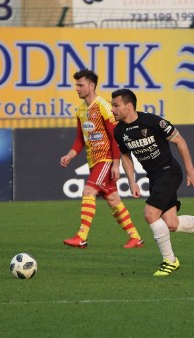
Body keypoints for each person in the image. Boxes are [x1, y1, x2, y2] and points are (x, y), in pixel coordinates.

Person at [110, 88, 194, 276]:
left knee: (150, 214)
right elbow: (125, 155)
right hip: (154, 177)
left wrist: (190, 170)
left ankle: (170, 261)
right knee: (171, 223)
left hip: (169, 172)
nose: (112, 109)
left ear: (129, 106)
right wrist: (132, 181)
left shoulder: (153, 121)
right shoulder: (119, 131)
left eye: (116, 105)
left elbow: (179, 141)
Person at [60, 69, 143, 250]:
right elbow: (80, 140)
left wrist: (115, 163)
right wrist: (70, 155)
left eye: (80, 85)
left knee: (89, 191)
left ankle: (81, 236)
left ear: (91, 86)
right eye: (76, 85)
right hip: (93, 161)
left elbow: (115, 136)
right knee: (113, 199)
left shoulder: (103, 105)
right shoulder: (81, 111)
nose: (77, 89)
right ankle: (135, 238)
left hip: (105, 159)